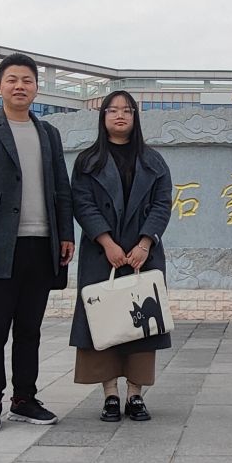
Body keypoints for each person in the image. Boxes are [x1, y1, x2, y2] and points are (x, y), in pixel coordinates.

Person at [0, 53, 74, 431]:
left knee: (29, 330)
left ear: (36, 88)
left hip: (41, 244)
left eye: (27, 80)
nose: (20, 86)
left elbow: (61, 189)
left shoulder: (48, 133)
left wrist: (66, 234)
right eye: (12, 80)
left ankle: (24, 400)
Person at [70, 91, 173, 421]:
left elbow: (162, 204)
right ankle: (110, 394)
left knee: (142, 325)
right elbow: (82, 204)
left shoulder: (153, 161)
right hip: (102, 253)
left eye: (127, 110)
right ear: (102, 116)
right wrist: (107, 242)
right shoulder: (88, 161)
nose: (120, 115)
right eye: (112, 110)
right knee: (105, 322)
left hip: (143, 254)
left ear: (135, 117)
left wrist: (145, 243)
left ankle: (135, 394)